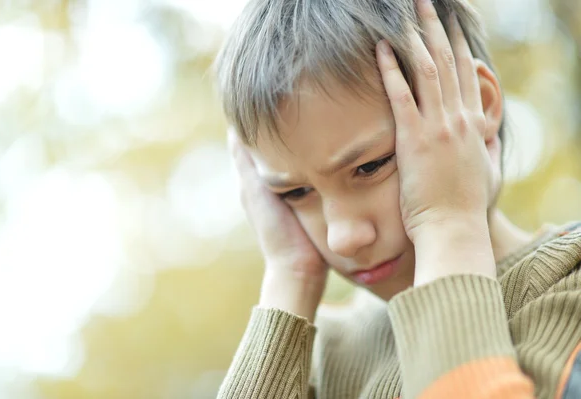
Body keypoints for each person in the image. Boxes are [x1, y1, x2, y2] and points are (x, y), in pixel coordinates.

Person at [214, 0, 581, 397]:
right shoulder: (310, 358)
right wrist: (290, 274)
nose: (343, 238)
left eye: (371, 167)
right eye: (296, 192)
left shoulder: (567, 294)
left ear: (479, 105)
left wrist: (447, 225)